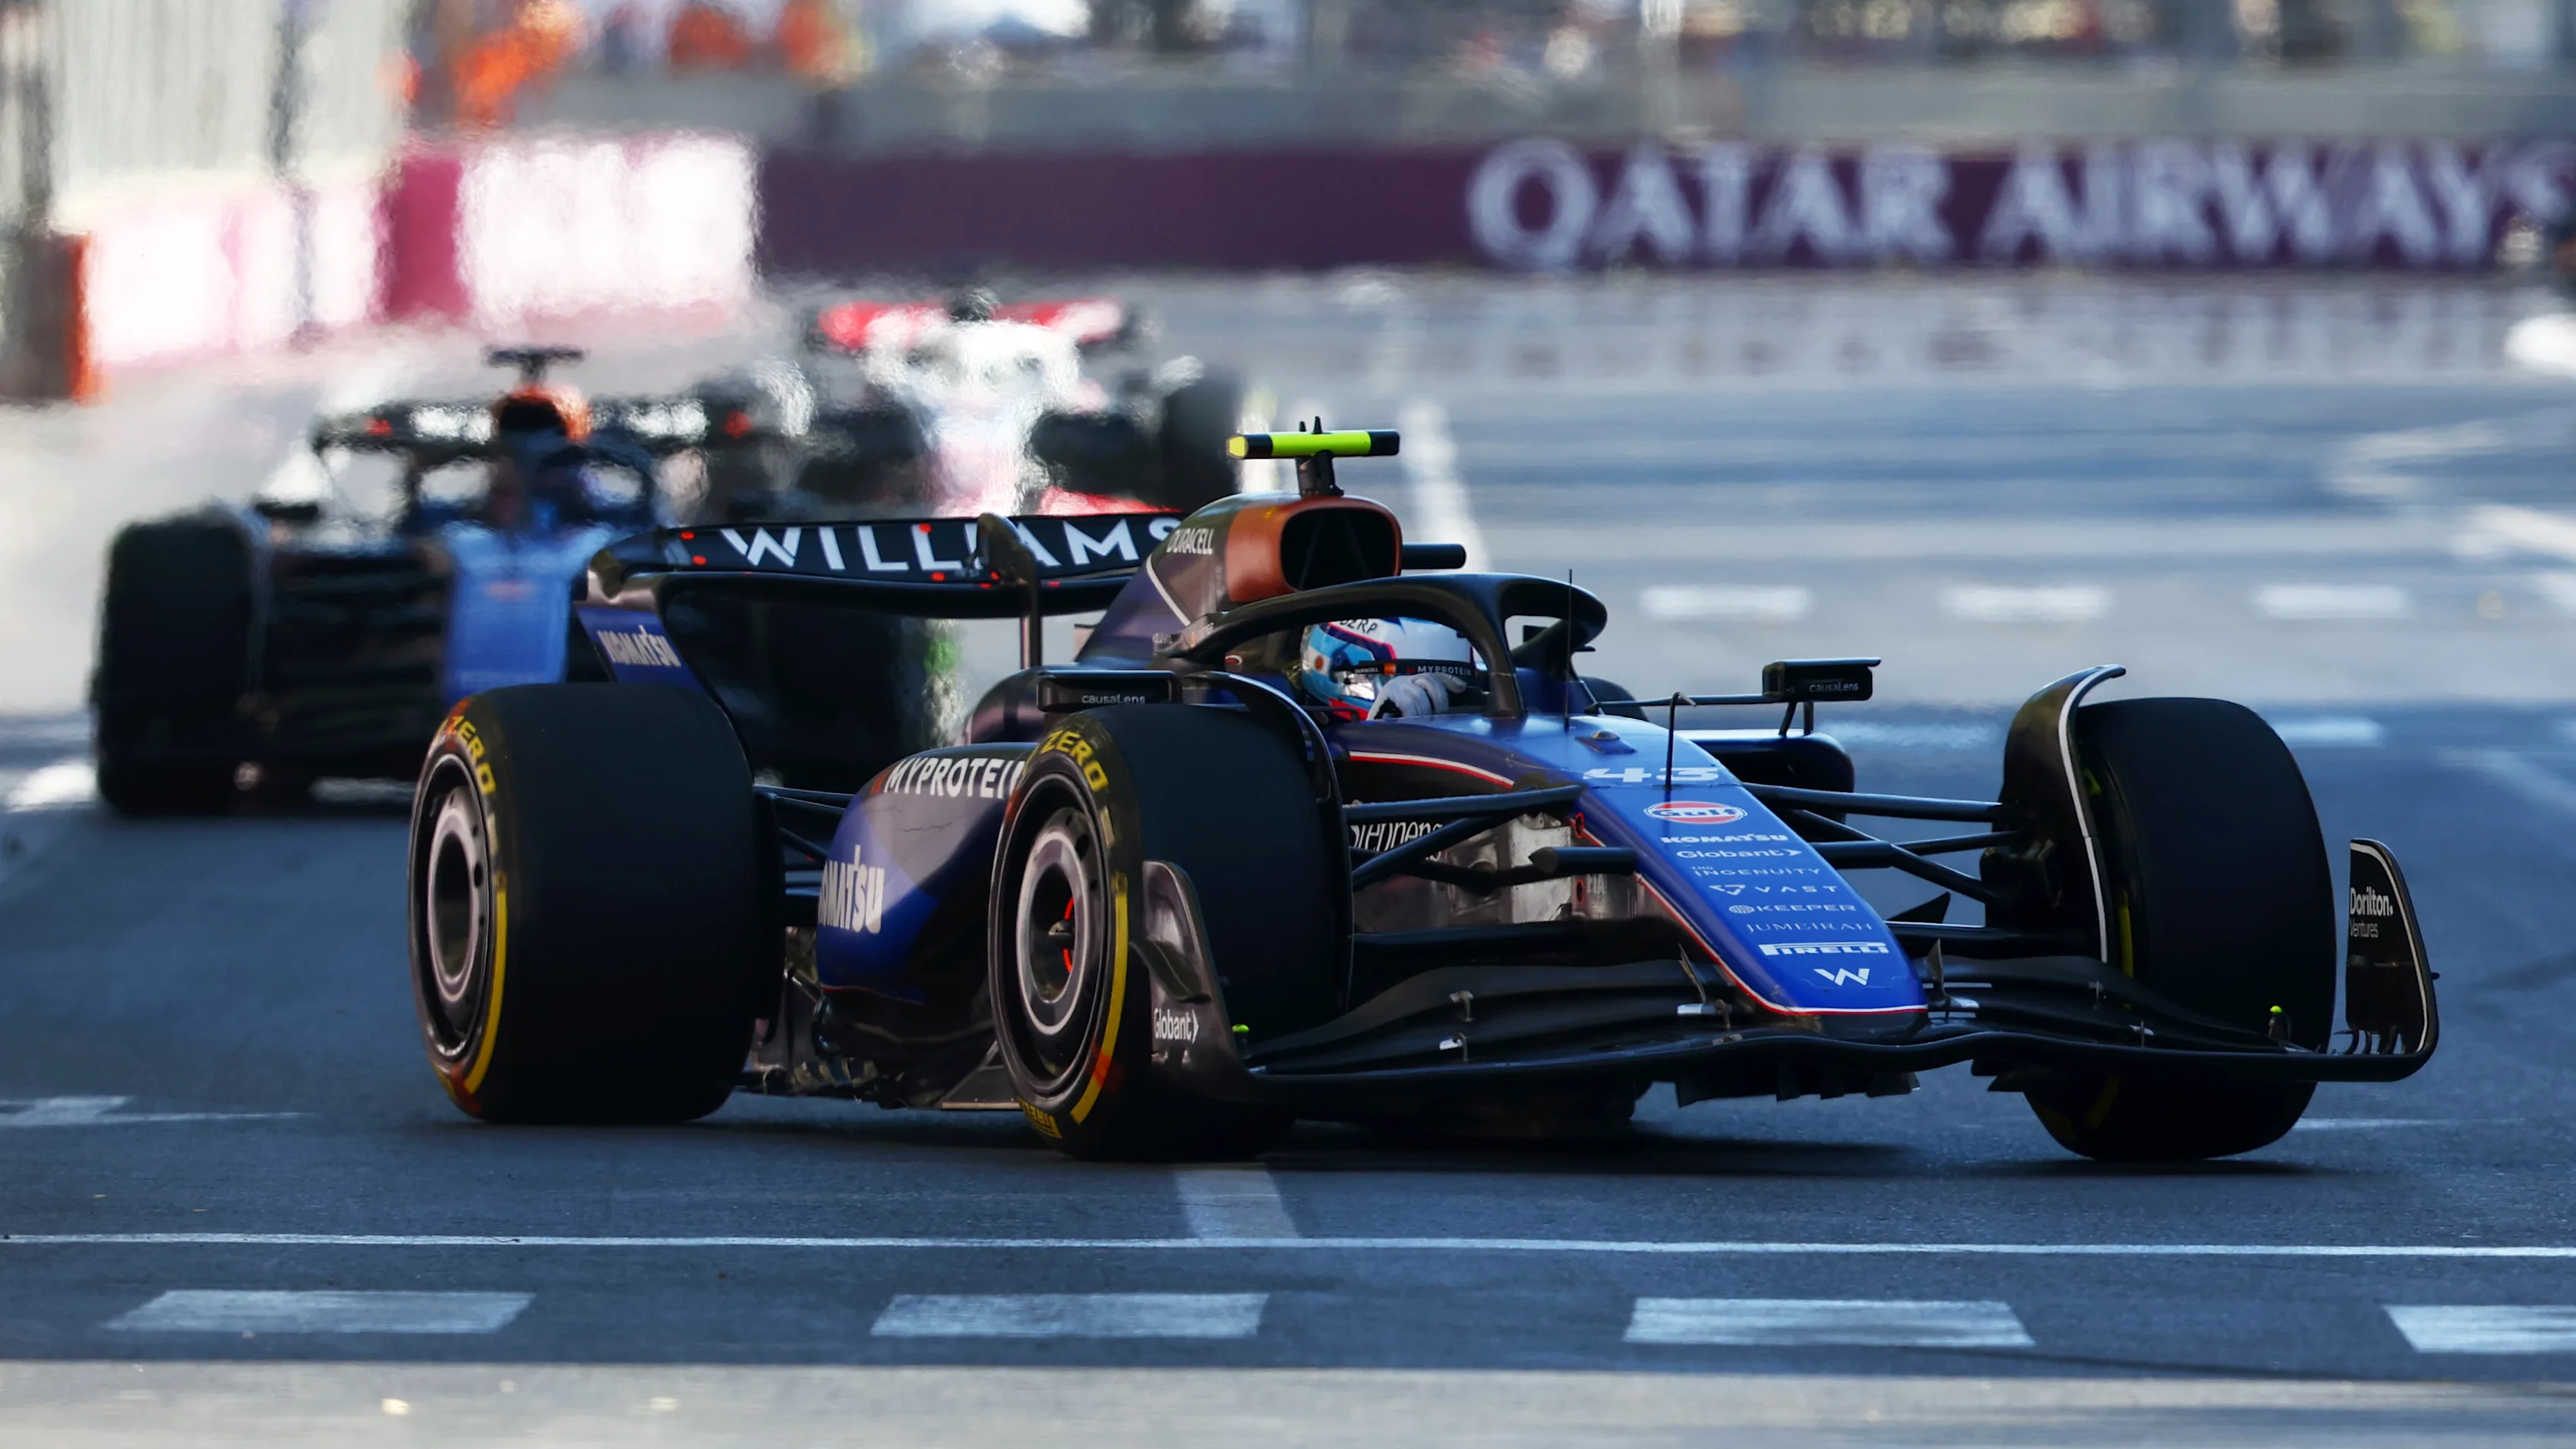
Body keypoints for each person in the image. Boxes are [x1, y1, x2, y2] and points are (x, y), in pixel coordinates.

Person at [1293, 617, 1484, 721]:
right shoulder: (1287, 747)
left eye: (1453, 694)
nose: (1441, 701)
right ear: (1337, 671)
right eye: (1421, 688)